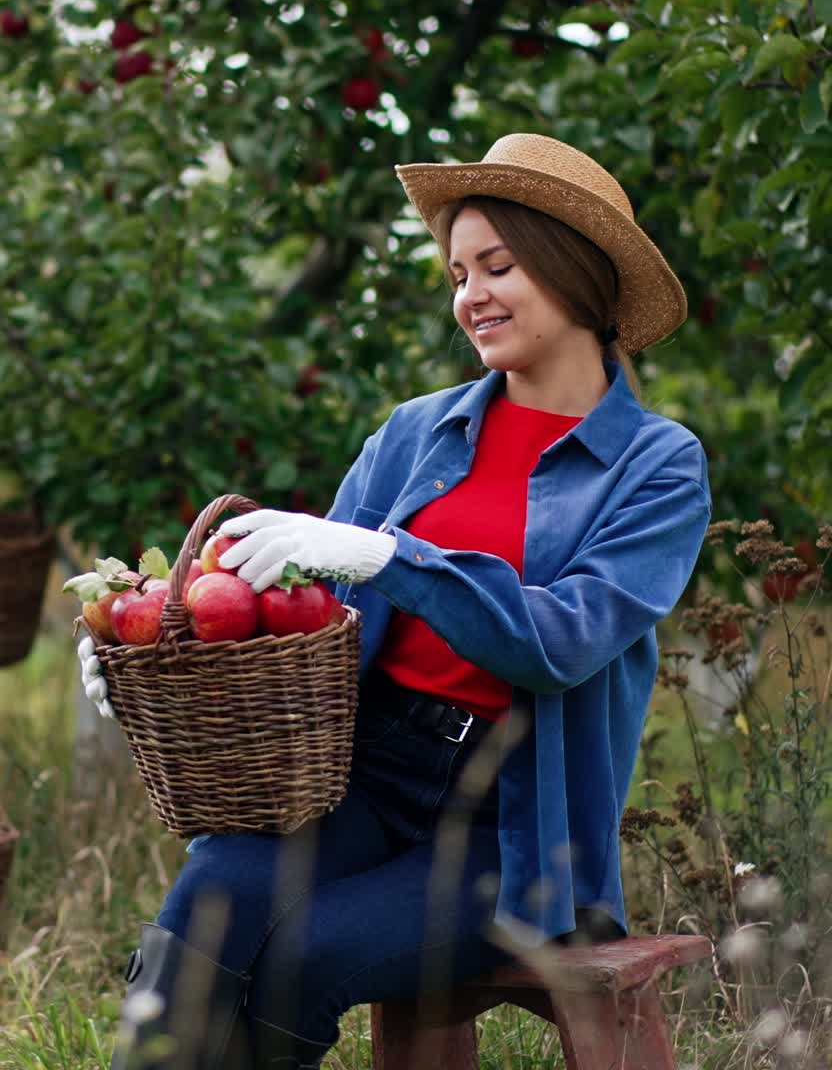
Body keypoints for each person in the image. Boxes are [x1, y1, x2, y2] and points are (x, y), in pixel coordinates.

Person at [101, 134, 712, 1068]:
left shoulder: (656, 466)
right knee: (210, 900)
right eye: (460, 272)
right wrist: (160, 646)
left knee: (305, 958)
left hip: (514, 825)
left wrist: (391, 557)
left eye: (498, 267)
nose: (471, 295)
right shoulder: (416, 433)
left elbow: (561, 641)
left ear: (576, 274)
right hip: (360, 773)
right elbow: (300, 607)